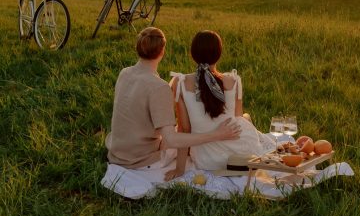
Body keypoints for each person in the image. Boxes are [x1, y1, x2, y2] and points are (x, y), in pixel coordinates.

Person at [105, 27, 242, 170]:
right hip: (141, 160)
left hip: (118, 152)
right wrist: (217, 134)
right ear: (162, 51)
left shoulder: (124, 73)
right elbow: (171, 139)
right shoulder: (159, 87)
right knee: (184, 136)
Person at [166, 30, 275, 180]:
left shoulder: (181, 83)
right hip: (238, 156)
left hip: (206, 160)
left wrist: (180, 168)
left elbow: (184, 129)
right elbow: (237, 119)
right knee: (245, 118)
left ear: (192, 54)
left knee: (245, 118)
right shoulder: (234, 81)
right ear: (219, 54)